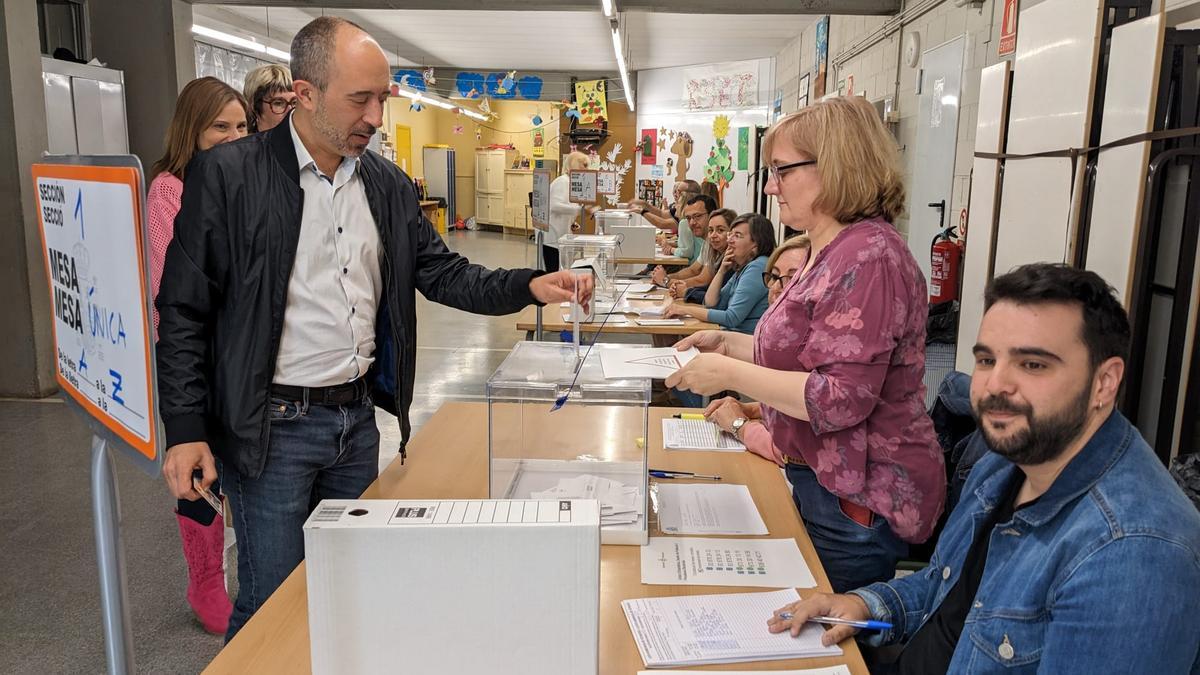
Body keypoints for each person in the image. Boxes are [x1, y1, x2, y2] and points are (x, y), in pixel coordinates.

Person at [155, 16, 590, 640]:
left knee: (348, 589)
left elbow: (444, 272)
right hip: (269, 432)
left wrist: (528, 285)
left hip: (357, 424)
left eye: (381, 98)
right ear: (304, 94)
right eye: (359, 98)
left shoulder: (384, 185)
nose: (375, 116)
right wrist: (187, 428)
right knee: (269, 606)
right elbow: (185, 309)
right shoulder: (228, 177)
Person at [769, 264, 1200, 674]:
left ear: (1104, 382)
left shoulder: (1131, 553)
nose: (995, 385)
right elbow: (947, 587)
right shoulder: (1009, 459)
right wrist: (867, 605)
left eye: (1033, 364)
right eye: (987, 360)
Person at [666, 96, 945, 592]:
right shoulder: (826, 247)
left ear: (835, 167)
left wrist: (730, 375)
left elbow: (840, 398)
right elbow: (805, 350)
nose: (770, 186)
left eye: (781, 170)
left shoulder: (869, 257)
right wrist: (727, 344)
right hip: (813, 477)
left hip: (852, 497)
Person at [145, 76, 248, 636]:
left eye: (240, 126)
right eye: (219, 127)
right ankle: (205, 580)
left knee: (244, 469)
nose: (233, 138)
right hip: (197, 360)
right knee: (200, 475)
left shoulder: (249, 182)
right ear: (193, 130)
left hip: (247, 359)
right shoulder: (170, 190)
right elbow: (172, 290)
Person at [704, 234, 811, 466]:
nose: (775, 288)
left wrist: (739, 426)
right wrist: (752, 409)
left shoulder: (824, 347)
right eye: (773, 278)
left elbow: (792, 455)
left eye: (793, 278)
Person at [666, 213, 774, 335]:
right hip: (732, 335)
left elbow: (731, 318)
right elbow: (711, 304)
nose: (730, 240)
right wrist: (722, 270)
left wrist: (684, 310)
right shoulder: (743, 267)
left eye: (737, 236)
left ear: (756, 243)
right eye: (730, 234)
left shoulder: (757, 267)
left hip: (745, 341)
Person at [655, 207, 735, 300]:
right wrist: (668, 279)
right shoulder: (713, 249)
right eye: (711, 230)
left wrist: (667, 281)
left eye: (720, 230)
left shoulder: (732, 260)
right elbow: (694, 271)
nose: (713, 235)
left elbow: (709, 288)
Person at [544, 151, 590, 272]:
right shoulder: (563, 181)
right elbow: (554, 206)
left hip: (560, 237)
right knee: (554, 274)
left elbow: (563, 208)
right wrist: (580, 210)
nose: (587, 169)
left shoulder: (570, 183)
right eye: (584, 165)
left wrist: (571, 222)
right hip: (553, 239)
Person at [243, 64, 296, 133]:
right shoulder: (245, 143)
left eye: (295, 102)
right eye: (278, 103)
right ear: (254, 107)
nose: (290, 111)